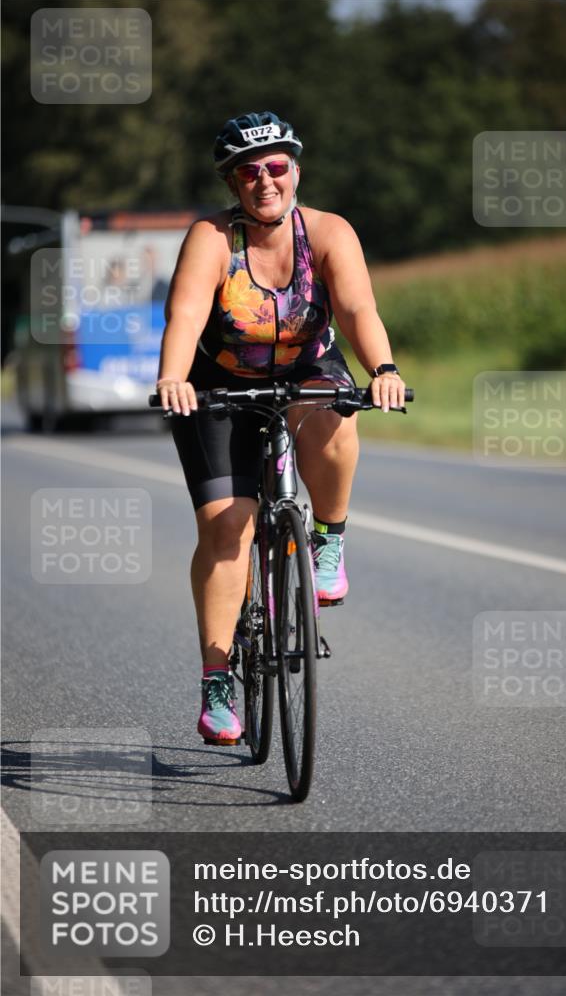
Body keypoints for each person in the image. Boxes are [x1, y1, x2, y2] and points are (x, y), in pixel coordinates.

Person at [156, 111, 405, 745]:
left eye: (275, 167)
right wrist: (173, 378)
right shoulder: (212, 238)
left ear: (295, 170)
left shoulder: (327, 232)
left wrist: (383, 369)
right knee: (226, 528)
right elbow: (185, 314)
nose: (264, 181)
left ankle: (328, 538)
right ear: (232, 183)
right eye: (249, 172)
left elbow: (357, 307)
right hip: (220, 380)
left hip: (306, 365)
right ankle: (217, 682)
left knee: (336, 406)